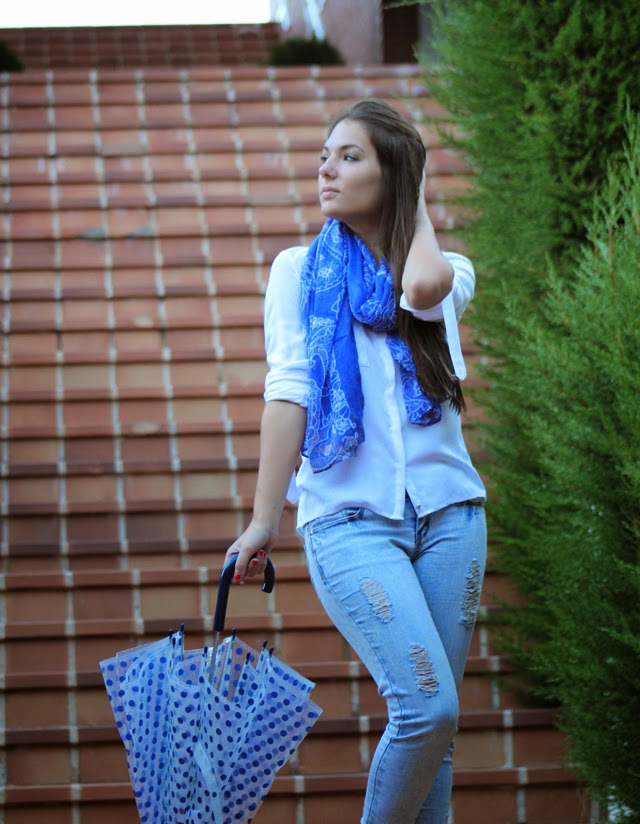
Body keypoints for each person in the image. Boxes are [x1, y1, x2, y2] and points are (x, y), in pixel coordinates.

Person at [224, 98, 487, 824]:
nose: (326, 170)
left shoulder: (446, 271)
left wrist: (415, 198)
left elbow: (422, 290)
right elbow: (289, 391)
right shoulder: (297, 271)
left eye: (350, 156)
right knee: (427, 708)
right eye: (324, 156)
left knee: (438, 734)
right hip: (348, 522)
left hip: (451, 515)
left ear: (394, 173)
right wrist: (263, 520)